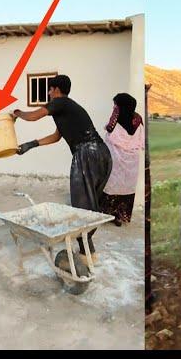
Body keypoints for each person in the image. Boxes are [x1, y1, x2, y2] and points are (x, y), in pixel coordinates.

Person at [13, 75, 112, 266]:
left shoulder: (61, 102)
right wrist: (31, 144)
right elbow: (57, 136)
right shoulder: (66, 110)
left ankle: (86, 253)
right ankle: (88, 250)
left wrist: (17, 113)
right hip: (102, 154)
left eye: (50, 90)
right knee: (91, 206)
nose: (49, 94)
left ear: (56, 89)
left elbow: (33, 116)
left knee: (82, 205)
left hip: (86, 154)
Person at [101, 93, 145, 226]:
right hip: (132, 161)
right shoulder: (138, 120)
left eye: (116, 105)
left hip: (116, 160)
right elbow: (141, 140)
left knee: (112, 184)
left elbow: (109, 134)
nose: (114, 107)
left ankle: (108, 214)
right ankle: (120, 216)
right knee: (126, 186)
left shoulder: (115, 121)